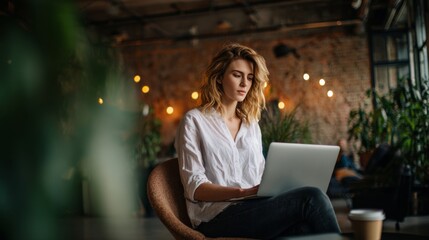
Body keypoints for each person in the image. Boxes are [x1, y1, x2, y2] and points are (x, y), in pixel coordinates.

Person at [174, 43, 341, 239]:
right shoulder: (194, 121)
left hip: (254, 208)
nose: (245, 83)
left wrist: (277, 185)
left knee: (303, 229)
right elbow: (196, 187)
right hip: (215, 218)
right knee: (312, 198)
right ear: (219, 78)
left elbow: (260, 172)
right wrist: (242, 192)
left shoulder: (251, 123)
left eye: (250, 77)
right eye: (237, 75)